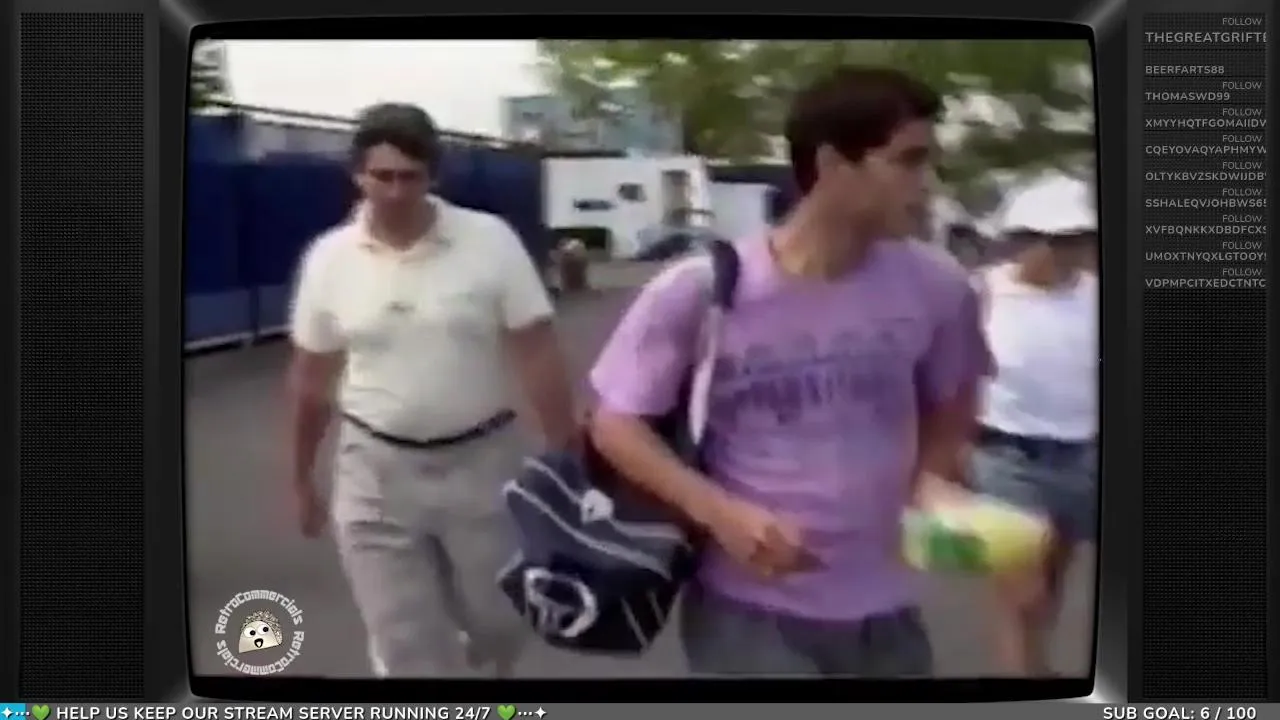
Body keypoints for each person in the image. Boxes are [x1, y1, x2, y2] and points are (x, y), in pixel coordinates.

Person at [587, 67, 990, 676]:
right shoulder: (702, 289)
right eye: (908, 161)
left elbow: (954, 397)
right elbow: (616, 425)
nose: (927, 184)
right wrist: (720, 514)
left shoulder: (939, 286)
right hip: (749, 612)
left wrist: (933, 480)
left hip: (887, 609)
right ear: (831, 164)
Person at [285, 103, 577, 678]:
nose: (395, 192)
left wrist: (564, 456)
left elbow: (537, 351)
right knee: (403, 640)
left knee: (501, 621)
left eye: (410, 177)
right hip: (374, 470)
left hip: (482, 464)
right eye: (382, 176)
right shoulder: (330, 259)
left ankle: (480, 642)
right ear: (358, 175)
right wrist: (300, 479)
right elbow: (311, 377)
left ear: (433, 176)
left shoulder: (489, 241)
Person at [970, 177, 1098, 676]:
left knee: (1050, 590)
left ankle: (1034, 671)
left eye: (1076, 238)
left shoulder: (1095, 294)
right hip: (1006, 458)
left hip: (1081, 457)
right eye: (1054, 239)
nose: (1067, 251)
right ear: (1022, 239)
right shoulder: (981, 292)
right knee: (1023, 596)